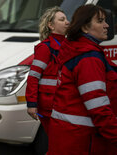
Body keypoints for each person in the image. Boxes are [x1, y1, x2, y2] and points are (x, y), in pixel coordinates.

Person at [48, 4, 117, 154]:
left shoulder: (76, 49)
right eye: (100, 21)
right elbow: (98, 107)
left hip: (68, 138)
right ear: (85, 28)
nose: (106, 26)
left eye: (106, 21)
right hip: (84, 142)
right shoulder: (89, 58)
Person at [26, 6, 69, 134]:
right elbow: (33, 76)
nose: (67, 22)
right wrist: (32, 104)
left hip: (64, 103)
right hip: (49, 106)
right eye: (62, 20)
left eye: (66, 19)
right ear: (51, 25)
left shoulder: (69, 46)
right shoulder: (45, 48)